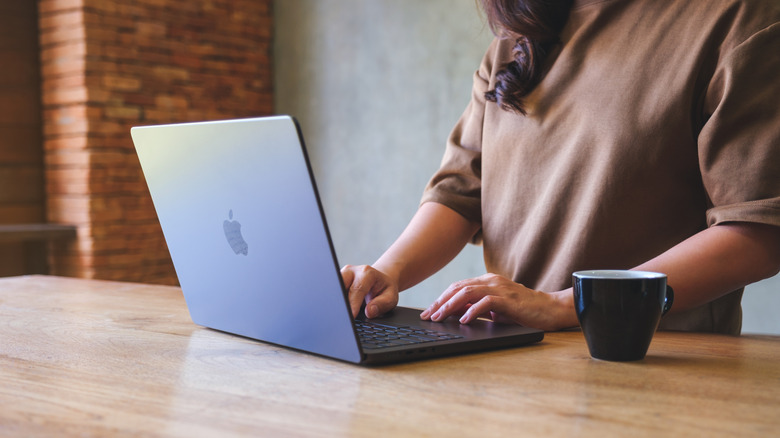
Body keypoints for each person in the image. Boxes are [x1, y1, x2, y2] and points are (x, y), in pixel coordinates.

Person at [341, 0, 780, 334]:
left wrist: (566, 306)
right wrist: (387, 272)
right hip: (513, 359)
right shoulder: (518, 39)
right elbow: (459, 193)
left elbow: (759, 231)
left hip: (653, 365)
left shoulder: (740, 17)